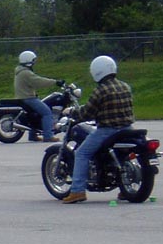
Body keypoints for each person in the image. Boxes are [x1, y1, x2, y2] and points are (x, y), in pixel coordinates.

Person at [62, 55, 136, 205]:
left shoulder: (101, 90)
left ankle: (77, 191)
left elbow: (87, 113)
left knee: (81, 153)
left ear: (96, 71)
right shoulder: (125, 86)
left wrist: (73, 113)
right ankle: (124, 188)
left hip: (108, 130)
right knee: (124, 155)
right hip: (128, 129)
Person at [14, 50, 62, 142]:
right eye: (33, 60)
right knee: (47, 112)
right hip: (28, 98)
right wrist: (55, 82)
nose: (34, 62)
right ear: (28, 60)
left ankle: (33, 135)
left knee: (36, 114)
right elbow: (38, 81)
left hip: (24, 97)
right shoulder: (26, 73)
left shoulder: (20, 70)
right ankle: (48, 136)